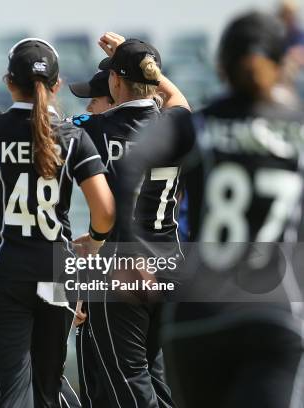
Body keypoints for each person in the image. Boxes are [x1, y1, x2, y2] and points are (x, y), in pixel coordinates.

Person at [125, 11, 304, 408]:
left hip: (195, 314)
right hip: (272, 311)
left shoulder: (198, 127)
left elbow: (126, 169)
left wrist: (130, 251)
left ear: (220, 66)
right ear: (283, 66)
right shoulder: (297, 133)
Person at [0, 38, 115, 408]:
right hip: (57, 271)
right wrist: (97, 240)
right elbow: (104, 211)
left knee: (11, 391)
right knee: (47, 388)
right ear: (56, 85)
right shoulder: (74, 137)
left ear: (9, 81)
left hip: (1, 271)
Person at [70, 33, 190, 408]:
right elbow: (178, 100)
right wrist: (143, 64)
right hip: (170, 263)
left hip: (120, 269)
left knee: (128, 385)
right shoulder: (176, 126)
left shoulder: (93, 129)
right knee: (154, 378)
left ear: (115, 81)